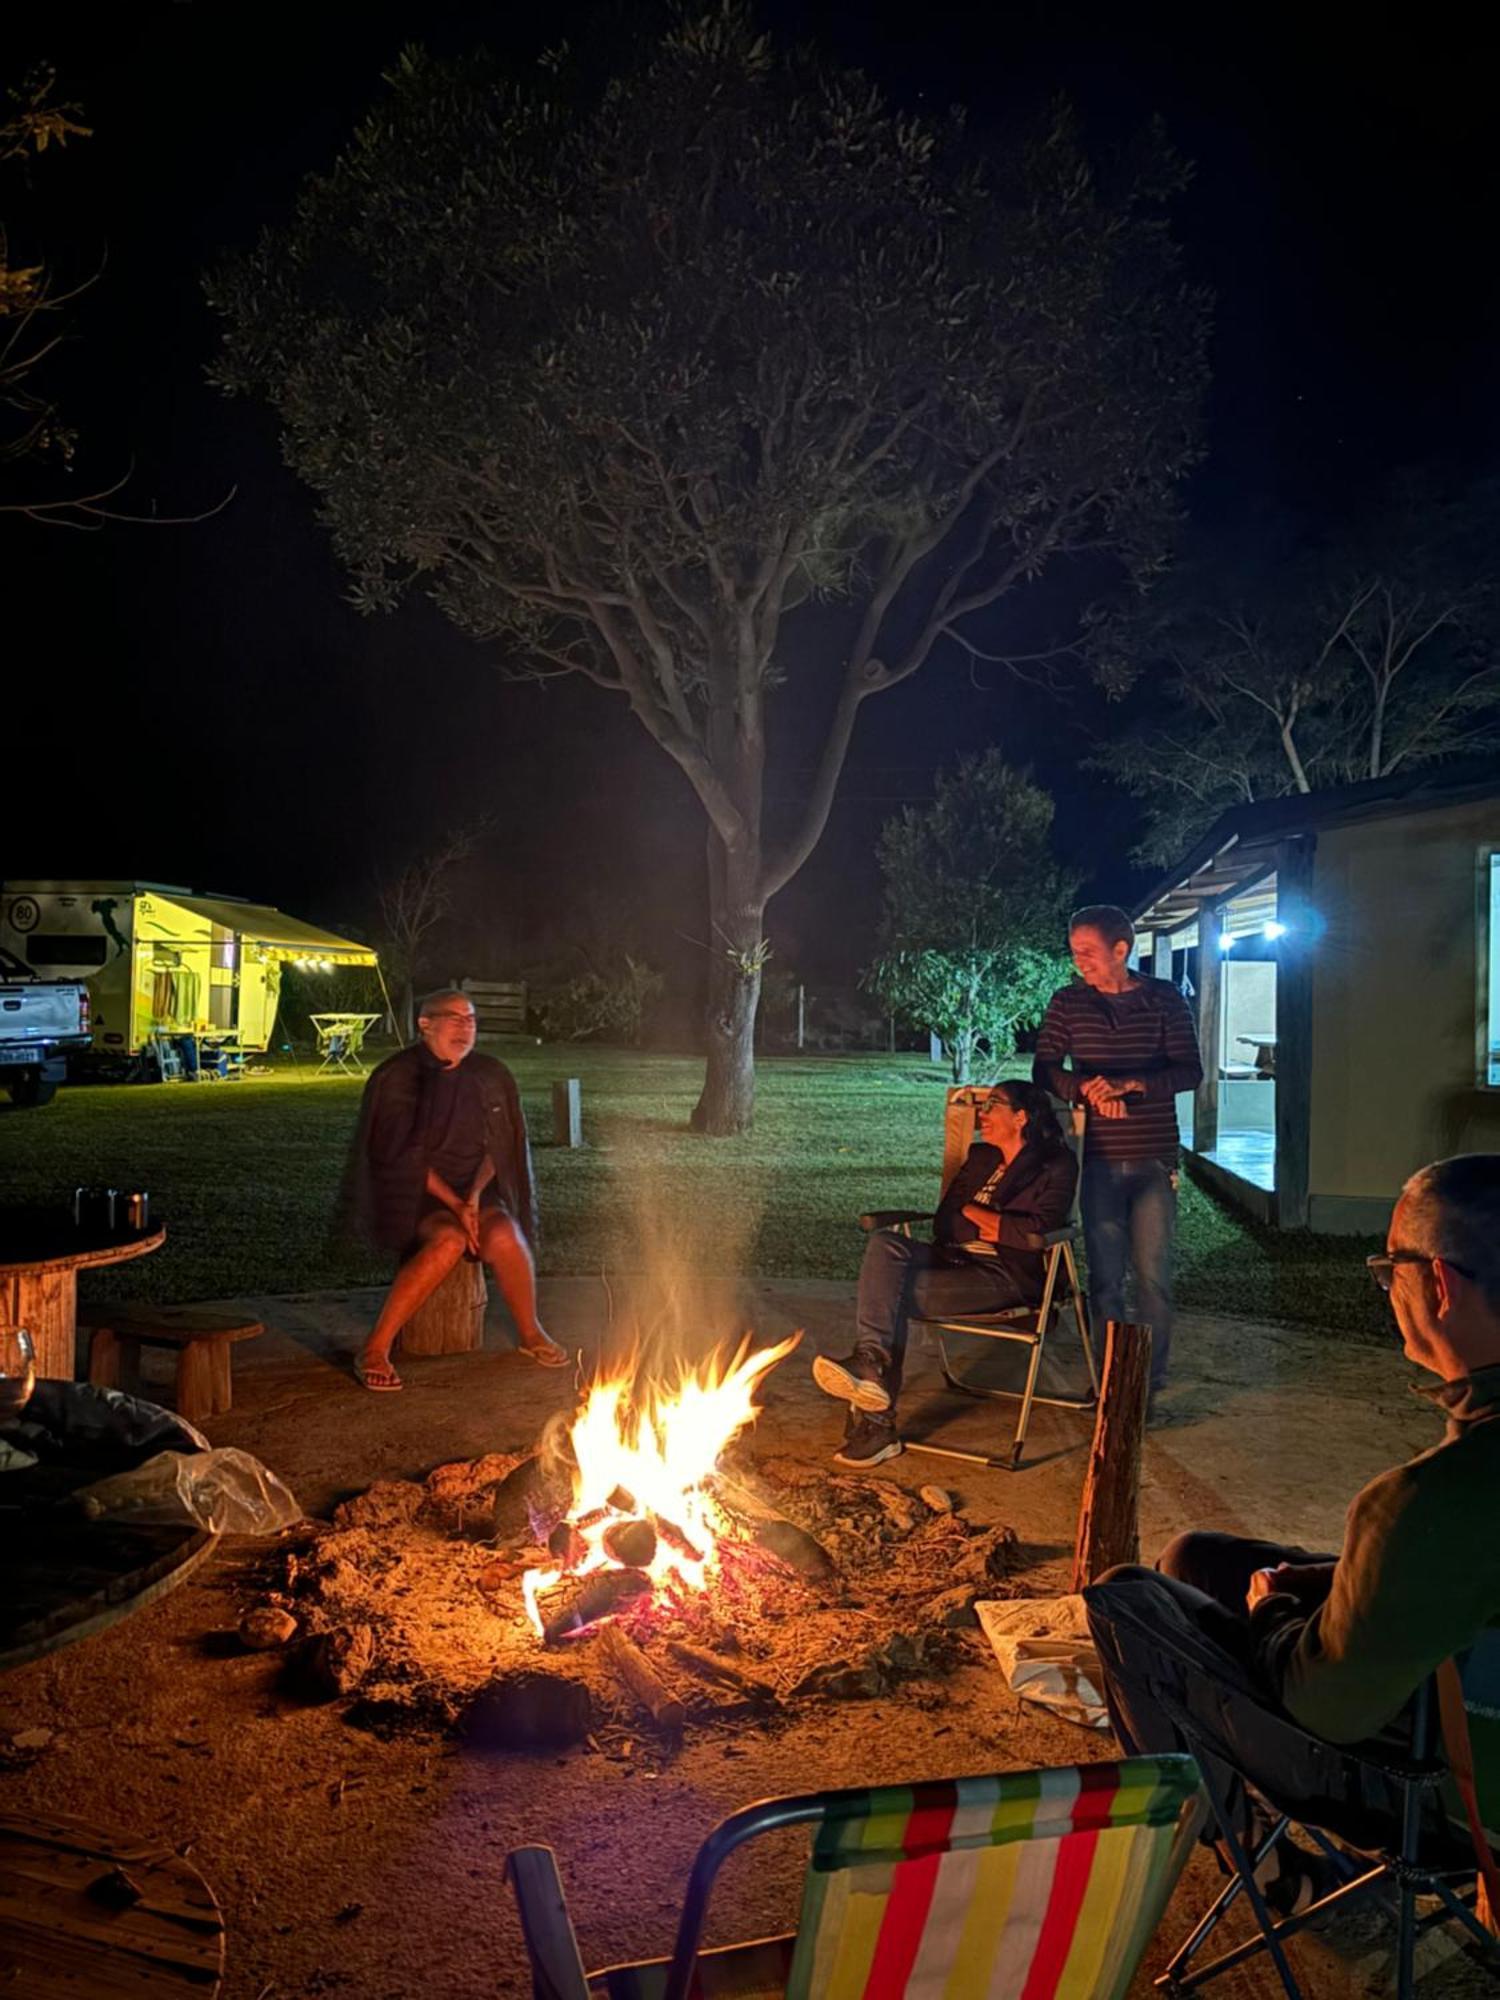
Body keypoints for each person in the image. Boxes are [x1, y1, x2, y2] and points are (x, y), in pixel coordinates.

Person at [1085, 1155, 1500, 1901]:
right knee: (1197, 1557)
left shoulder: (1427, 1500)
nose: (1386, 1289)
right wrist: (1326, 1581)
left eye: (1388, 1268)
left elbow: (1323, 1706)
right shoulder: (1444, 1501)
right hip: (1465, 1694)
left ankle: (1261, 1862)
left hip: (1436, 1797)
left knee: (1127, 1603)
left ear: (1438, 1284)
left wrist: (1270, 1607)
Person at [812, 1080, 1078, 1467]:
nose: (982, 1115)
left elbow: (1033, 1234)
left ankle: (877, 1419)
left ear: (1021, 1117)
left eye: (993, 1106)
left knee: (890, 1296)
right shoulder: (982, 1157)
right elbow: (946, 1223)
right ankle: (871, 1367)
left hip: (1003, 1276)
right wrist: (989, 1223)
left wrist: (976, 1214)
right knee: (884, 1244)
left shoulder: (1056, 1164)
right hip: (953, 1261)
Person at [341, 990, 566, 1389]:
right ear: (425, 1024)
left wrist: (475, 1197)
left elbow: (502, 1144)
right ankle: (375, 1347)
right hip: (414, 1193)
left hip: (473, 1189)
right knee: (448, 1241)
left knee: (506, 1237)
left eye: (472, 1019)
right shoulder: (399, 1076)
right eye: (454, 1018)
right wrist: (455, 1205)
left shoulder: (490, 1074)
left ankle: (531, 1333)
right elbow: (401, 1155)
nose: (465, 1027)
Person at [1033, 903, 1202, 1399]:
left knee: (1152, 1277)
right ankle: (1110, 1375)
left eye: (1088, 951)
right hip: (1098, 1157)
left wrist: (1133, 1084)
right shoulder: (1069, 1003)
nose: (1078, 961)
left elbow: (1188, 1071)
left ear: (1121, 949)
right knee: (1105, 1275)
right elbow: (1044, 1070)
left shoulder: (1165, 1001)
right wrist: (1086, 1088)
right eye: (1074, 952)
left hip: (1153, 1157)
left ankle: (1147, 1380)